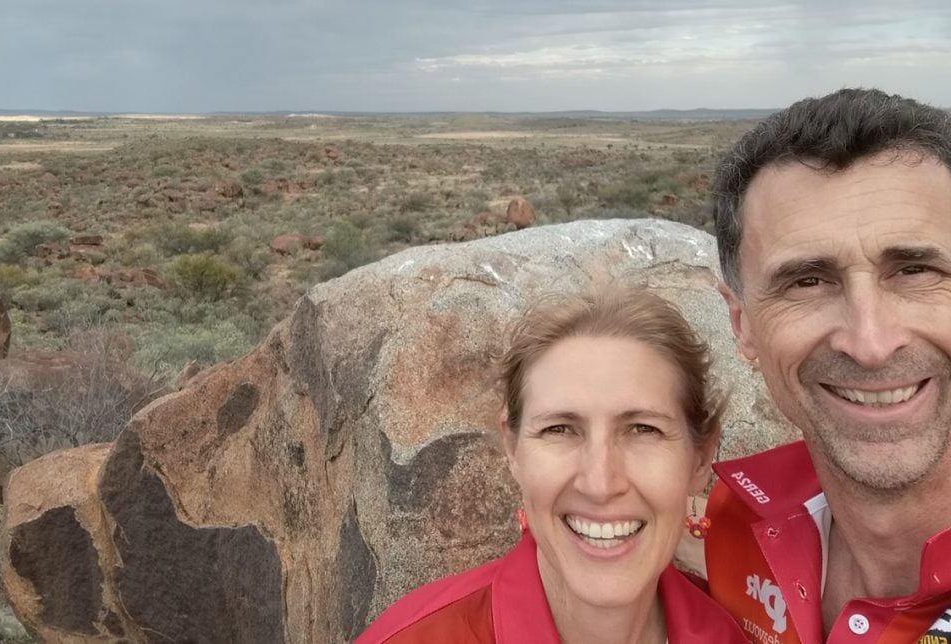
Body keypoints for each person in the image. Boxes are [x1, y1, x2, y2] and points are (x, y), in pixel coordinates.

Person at [357, 287, 746, 643]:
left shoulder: (737, 633)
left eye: (643, 429)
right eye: (560, 429)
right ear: (513, 448)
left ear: (700, 456)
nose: (599, 483)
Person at [706, 87, 951, 643]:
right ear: (741, 323)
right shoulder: (735, 520)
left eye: (915, 271)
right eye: (807, 281)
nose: (870, 343)